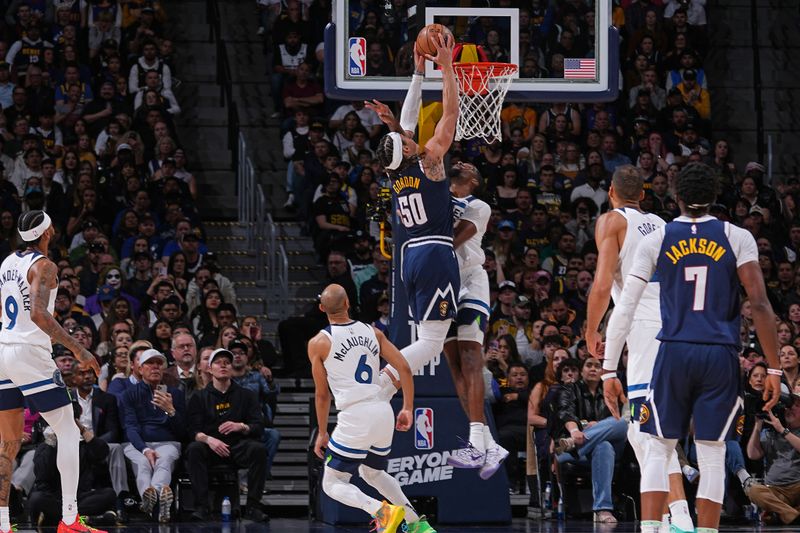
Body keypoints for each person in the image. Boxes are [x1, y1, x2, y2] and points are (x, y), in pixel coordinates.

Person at [602, 163, 782, 533]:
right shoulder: (737, 236)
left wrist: (607, 368)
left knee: (657, 447)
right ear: (716, 198)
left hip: (674, 351)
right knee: (713, 453)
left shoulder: (659, 238)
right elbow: (761, 305)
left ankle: (653, 528)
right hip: (719, 354)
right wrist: (775, 368)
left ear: (677, 198)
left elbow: (625, 307)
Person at [584, 165, 694, 532]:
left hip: (646, 328)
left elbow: (602, 284)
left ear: (611, 193)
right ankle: (673, 515)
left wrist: (591, 328)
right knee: (648, 431)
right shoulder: (663, 224)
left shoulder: (611, 221)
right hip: (678, 325)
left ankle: (677, 519)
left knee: (647, 432)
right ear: (643, 196)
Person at [0, 210, 102, 533]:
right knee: (69, 431)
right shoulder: (45, 266)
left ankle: (2, 524)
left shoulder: (6, 263)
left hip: (3, 349)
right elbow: (40, 316)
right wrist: (79, 349)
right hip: (29, 353)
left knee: (8, 443)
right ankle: (70, 520)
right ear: (49, 232)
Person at [370, 33, 460, 393]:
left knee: (429, 336)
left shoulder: (396, 171)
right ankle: (383, 383)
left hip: (411, 257)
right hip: (435, 253)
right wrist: (448, 67)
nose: (410, 135)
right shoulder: (430, 161)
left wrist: (419, 73)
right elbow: (451, 114)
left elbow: (404, 123)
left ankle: (385, 383)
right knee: (433, 343)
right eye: (406, 138)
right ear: (407, 149)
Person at [309, 284, 435, 533]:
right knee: (373, 473)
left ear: (322, 308)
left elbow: (322, 395)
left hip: (355, 415)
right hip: (382, 412)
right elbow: (404, 368)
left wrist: (322, 432)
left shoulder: (319, 342)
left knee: (332, 483)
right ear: (348, 304)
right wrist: (408, 407)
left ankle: (382, 512)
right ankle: (416, 523)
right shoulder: (373, 332)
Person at [444, 161, 509, 478]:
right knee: (454, 366)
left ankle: (476, 441)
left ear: (473, 179)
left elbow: (451, 239)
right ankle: (485, 444)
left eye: (465, 166)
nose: (458, 164)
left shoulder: (478, 205)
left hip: (470, 282)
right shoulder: (440, 196)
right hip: (442, 286)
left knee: (471, 360)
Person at [185, 348, 269, 522]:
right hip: (211, 449)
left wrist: (241, 426)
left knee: (258, 450)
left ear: (231, 368)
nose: (223, 365)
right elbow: (192, 431)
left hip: (237, 447)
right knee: (194, 449)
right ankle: (202, 507)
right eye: (218, 362)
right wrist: (209, 440)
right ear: (209, 369)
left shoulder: (246, 395)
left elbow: (259, 426)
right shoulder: (199, 397)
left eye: (227, 363)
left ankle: (253, 506)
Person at [120, 348, 185, 523]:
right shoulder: (129, 394)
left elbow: (183, 431)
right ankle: (158, 502)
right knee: (143, 463)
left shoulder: (176, 394)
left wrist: (171, 411)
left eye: (159, 364)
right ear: (140, 369)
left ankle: (151, 498)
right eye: (150, 363)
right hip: (136, 443)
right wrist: (145, 449)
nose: (155, 367)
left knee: (163, 460)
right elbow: (130, 427)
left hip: (167, 442)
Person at [746, 392, 800, 524]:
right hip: (776, 491)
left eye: (796, 406)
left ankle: (780, 513)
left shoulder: (781, 429)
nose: (790, 409)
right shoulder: (770, 432)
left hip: (798, 488)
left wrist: (782, 430)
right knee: (753, 490)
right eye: (787, 406)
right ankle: (790, 514)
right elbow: (752, 454)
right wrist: (758, 424)